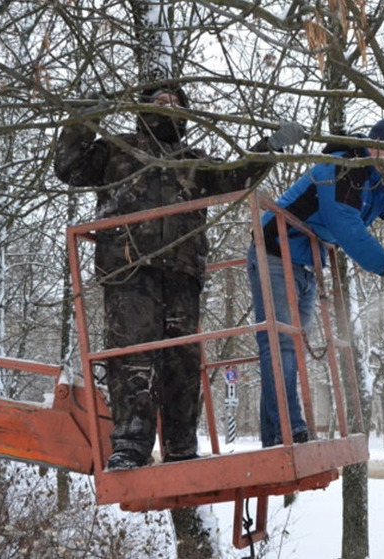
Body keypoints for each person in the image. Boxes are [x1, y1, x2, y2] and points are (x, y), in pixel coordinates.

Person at [55, 84, 305, 470]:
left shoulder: (194, 161)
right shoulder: (116, 150)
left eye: (175, 104)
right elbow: (68, 168)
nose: (166, 108)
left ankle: (181, 447)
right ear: (142, 108)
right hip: (128, 271)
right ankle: (130, 448)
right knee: (132, 358)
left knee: (182, 363)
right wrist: (85, 116)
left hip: (182, 274)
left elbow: (236, 178)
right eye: (158, 102)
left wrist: (271, 145)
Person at [247, 116, 384, 447]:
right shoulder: (340, 169)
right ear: (375, 145)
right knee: (280, 345)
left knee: (291, 347)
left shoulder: (379, 182)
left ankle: (280, 433)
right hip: (273, 253)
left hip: (306, 264)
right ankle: (286, 431)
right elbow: (347, 227)